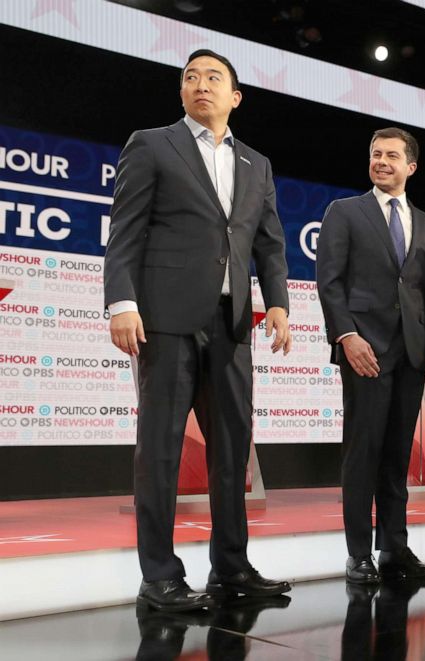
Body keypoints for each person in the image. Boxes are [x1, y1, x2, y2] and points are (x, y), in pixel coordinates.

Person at [104, 49, 292, 611]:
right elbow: (125, 231)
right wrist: (121, 302)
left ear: (235, 97)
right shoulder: (153, 144)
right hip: (164, 320)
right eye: (190, 77)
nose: (199, 84)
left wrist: (277, 304)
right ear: (182, 93)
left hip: (232, 324)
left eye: (213, 78)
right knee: (160, 451)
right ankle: (159, 575)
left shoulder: (257, 164)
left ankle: (231, 568)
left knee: (233, 451)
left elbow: (270, 243)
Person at [315, 128, 425, 584]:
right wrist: (346, 336)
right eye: (376, 154)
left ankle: (394, 547)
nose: (382, 161)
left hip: (411, 353)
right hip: (364, 351)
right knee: (363, 452)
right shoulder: (344, 212)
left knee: (396, 455)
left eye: (392, 155)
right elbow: (329, 282)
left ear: (411, 166)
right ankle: (358, 554)